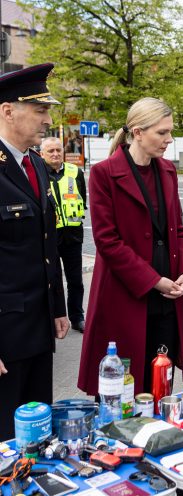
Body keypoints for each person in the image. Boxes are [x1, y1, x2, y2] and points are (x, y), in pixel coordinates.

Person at [77, 97, 183, 396]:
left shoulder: (168, 171)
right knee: (123, 389)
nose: (169, 139)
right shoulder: (104, 173)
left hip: (167, 295)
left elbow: (178, 231)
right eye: (162, 133)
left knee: (161, 380)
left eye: (170, 132)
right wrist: (153, 280)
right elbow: (106, 240)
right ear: (138, 132)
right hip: (125, 295)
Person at [0, 63, 69, 440]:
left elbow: (48, 245)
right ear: (8, 110)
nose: (47, 120)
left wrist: (57, 308)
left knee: (38, 431)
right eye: (39, 110)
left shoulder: (37, 166)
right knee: (5, 436)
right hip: (5, 332)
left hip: (38, 326)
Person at [41, 137, 87, 333]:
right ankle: (52, 318)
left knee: (75, 280)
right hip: (48, 236)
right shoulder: (38, 173)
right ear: (42, 154)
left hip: (73, 235)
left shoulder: (75, 172)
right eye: (50, 151)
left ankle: (77, 317)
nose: (55, 154)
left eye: (58, 150)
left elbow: (82, 198)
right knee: (51, 280)